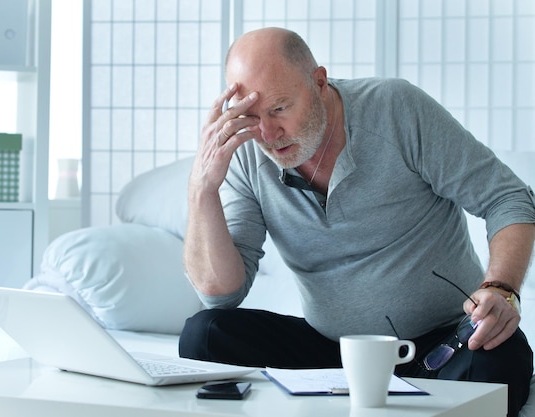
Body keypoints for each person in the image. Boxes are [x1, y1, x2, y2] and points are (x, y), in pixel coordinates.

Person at [178, 27, 535, 416]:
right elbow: (220, 294)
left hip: (444, 345)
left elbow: (508, 197)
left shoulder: (396, 109)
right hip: (334, 353)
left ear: (319, 82)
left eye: (280, 109)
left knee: (500, 358)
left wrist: (500, 289)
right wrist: (202, 187)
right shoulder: (247, 154)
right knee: (204, 335)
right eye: (251, 115)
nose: (267, 133)